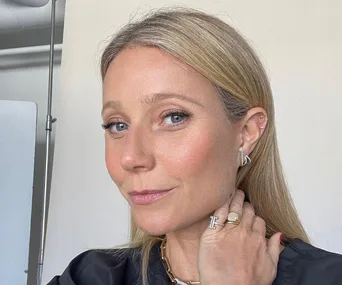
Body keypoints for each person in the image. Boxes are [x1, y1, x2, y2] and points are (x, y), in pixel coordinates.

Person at [47, 8, 342, 285]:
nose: (131, 157)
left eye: (173, 117)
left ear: (247, 132)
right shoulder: (91, 277)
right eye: (117, 125)